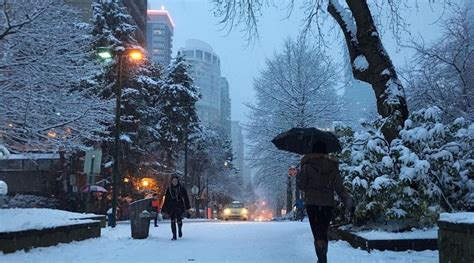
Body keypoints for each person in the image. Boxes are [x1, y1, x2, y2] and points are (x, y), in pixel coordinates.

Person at [297, 142, 353, 263]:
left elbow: (301, 185)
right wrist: (347, 200)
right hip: (327, 203)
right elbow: (339, 187)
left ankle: (322, 259)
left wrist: (301, 172)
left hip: (312, 203)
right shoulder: (333, 166)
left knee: (317, 233)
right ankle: (322, 259)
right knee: (323, 231)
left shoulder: (307, 165)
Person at [161, 176, 191, 240]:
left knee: (179, 219)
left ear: (178, 181)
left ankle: (179, 229)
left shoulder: (181, 188)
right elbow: (166, 199)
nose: (174, 182)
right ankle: (174, 235)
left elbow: (186, 198)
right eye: (173, 181)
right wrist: (163, 209)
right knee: (172, 221)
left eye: (176, 181)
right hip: (171, 206)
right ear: (171, 182)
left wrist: (187, 207)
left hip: (179, 205)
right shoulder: (169, 189)